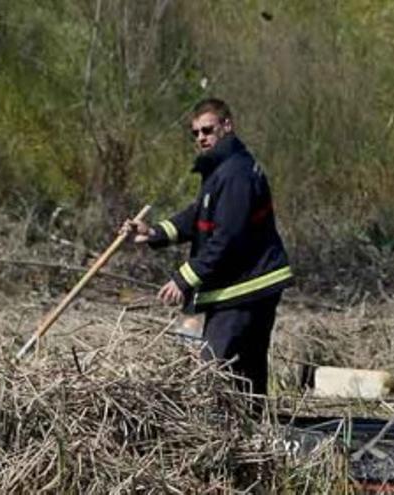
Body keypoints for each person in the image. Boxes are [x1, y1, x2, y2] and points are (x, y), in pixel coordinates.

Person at [122, 98, 294, 398]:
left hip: (247, 287)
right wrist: (154, 232)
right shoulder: (221, 170)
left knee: (214, 371)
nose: (201, 137)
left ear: (227, 126)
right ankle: (250, 432)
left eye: (207, 130)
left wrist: (184, 278)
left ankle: (232, 433)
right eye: (196, 133)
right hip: (240, 286)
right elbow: (199, 216)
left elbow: (227, 238)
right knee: (244, 374)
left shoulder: (236, 174)